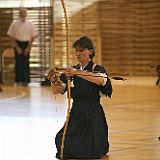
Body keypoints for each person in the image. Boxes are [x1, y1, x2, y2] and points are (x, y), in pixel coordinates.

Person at [48, 36, 112, 159]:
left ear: (90, 51)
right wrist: (53, 80)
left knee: (90, 149)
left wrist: (77, 73)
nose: (78, 53)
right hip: (76, 112)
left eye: (81, 50)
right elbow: (58, 91)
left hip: (93, 113)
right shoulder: (72, 70)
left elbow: (101, 80)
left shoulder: (96, 69)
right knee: (62, 142)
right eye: (76, 51)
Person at [7, 7, 37, 86]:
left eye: (24, 12)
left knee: (26, 63)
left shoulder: (30, 24)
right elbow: (11, 36)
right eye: (21, 12)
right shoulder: (14, 23)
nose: (23, 14)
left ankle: (26, 81)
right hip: (18, 45)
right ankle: (17, 81)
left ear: (26, 13)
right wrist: (17, 47)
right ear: (19, 13)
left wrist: (28, 48)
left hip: (27, 44)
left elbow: (33, 37)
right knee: (18, 63)